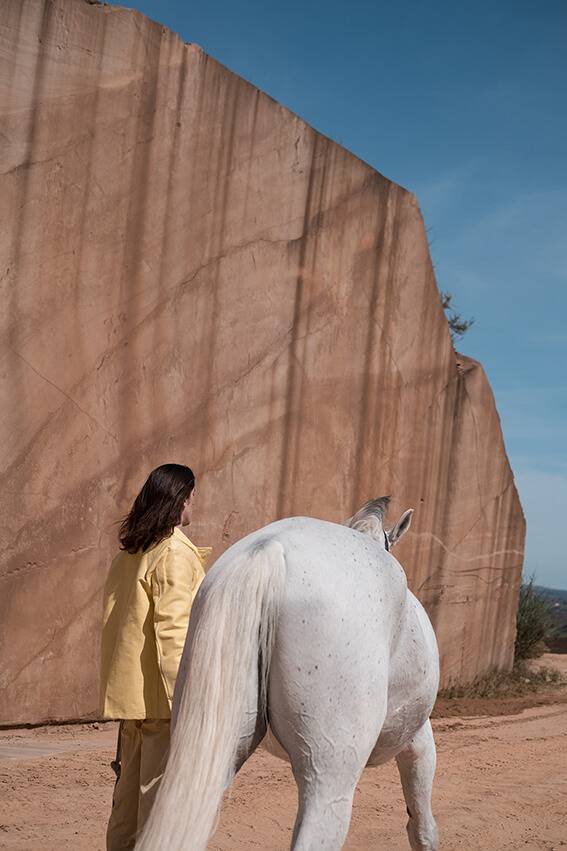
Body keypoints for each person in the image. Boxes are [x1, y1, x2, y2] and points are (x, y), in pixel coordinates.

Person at [99, 463, 211, 851]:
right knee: (159, 812)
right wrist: (188, 702)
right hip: (163, 704)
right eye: (192, 496)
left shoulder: (131, 551)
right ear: (181, 501)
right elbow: (174, 633)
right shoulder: (174, 552)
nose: (195, 503)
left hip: (133, 700)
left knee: (126, 810)